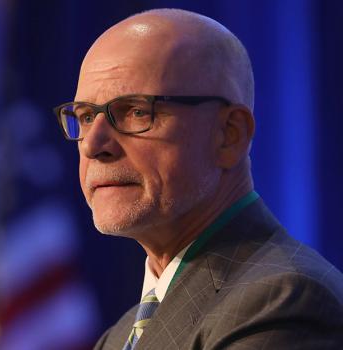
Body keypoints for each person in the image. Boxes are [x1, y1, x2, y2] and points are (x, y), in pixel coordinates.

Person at [53, 8, 343, 349]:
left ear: (229, 134)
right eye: (86, 117)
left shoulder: (282, 302)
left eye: (135, 112)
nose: (93, 145)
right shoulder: (118, 336)